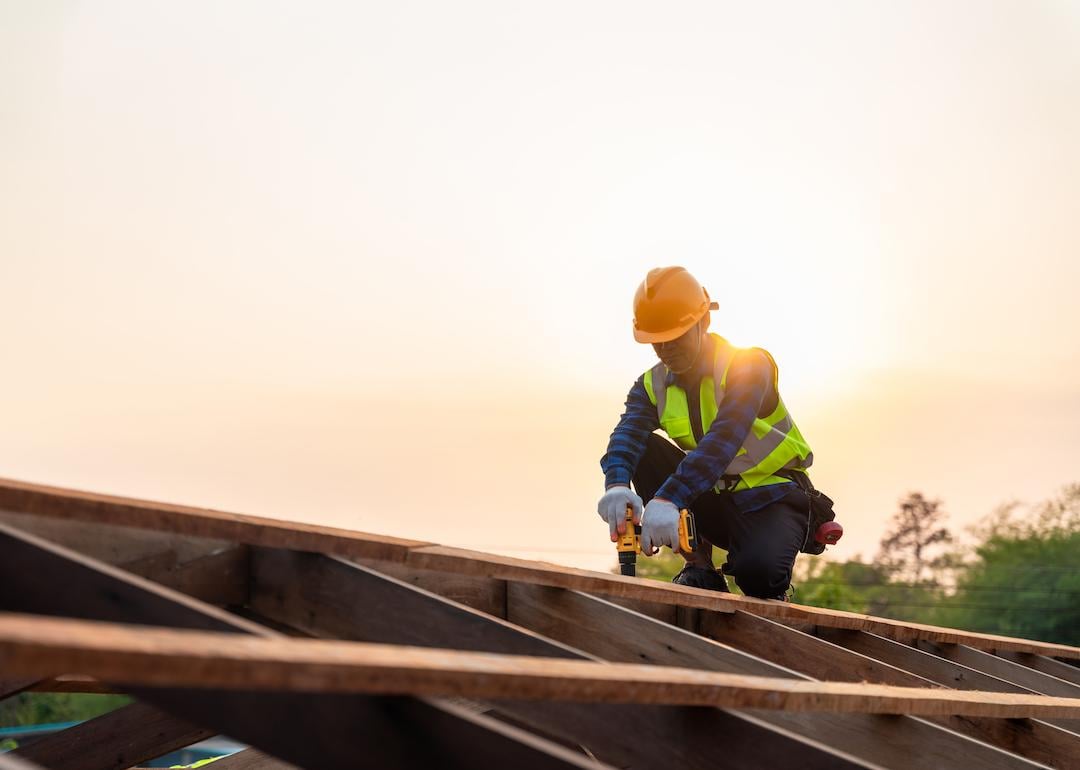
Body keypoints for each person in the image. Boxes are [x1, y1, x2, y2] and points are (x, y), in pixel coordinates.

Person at [598, 266, 821, 599]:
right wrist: (616, 484)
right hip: (711, 496)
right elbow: (627, 435)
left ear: (703, 323)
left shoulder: (748, 366)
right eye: (656, 342)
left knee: (758, 576)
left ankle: (771, 582)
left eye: (675, 337)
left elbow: (723, 441)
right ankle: (700, 567)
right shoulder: (650, 386)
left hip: (772, 498)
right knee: (641, 449)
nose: (665, 349)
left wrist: (668, 499)